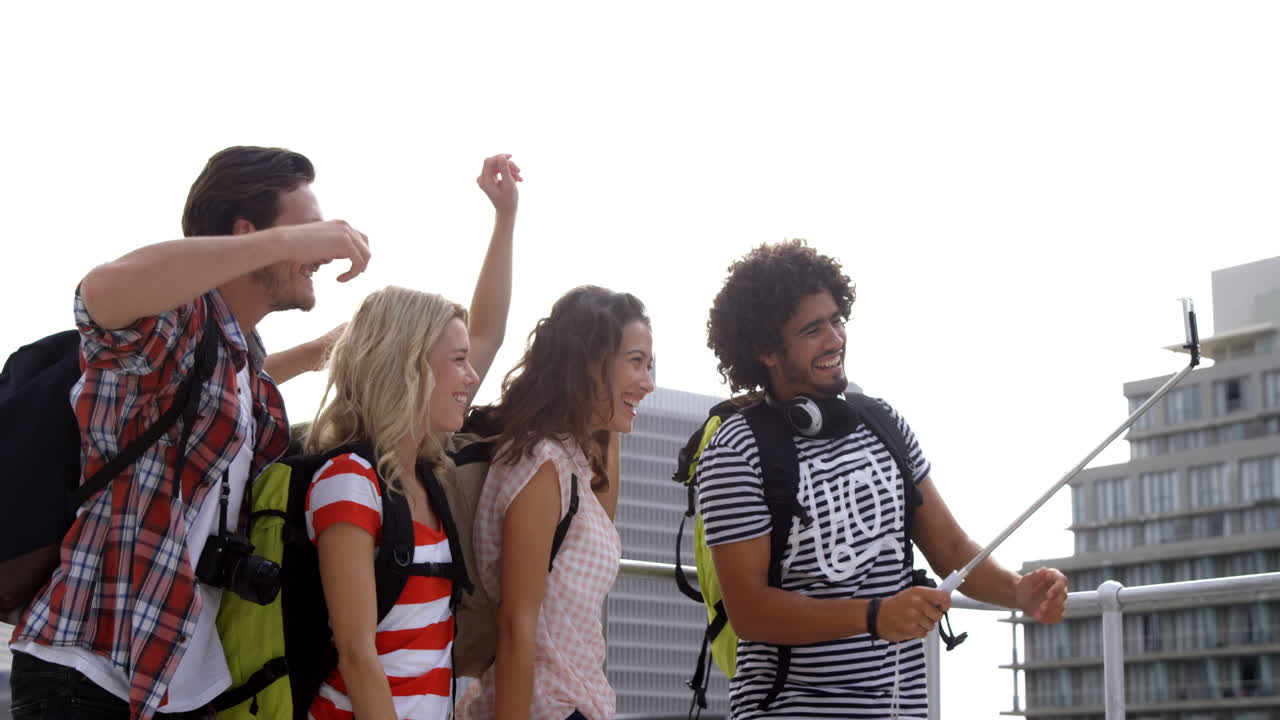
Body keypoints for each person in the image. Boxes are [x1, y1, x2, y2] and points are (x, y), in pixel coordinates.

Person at [8, 146, 371, 720]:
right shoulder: (173, 321)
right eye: (308, 230)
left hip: (176, 681)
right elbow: (100, 292)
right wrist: (288, 244)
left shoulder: (236, 360)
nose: (322, 248)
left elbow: (210, 407)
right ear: (247, 233)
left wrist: (316, 353)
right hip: (92, 673)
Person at [697, 239, 1069, 719]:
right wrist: (874, 616)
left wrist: (1018, 591)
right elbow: (749, 611)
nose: (834, 339)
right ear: (767, 349)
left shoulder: (883, 423)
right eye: (812, 329)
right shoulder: (735, 451)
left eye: (837, 320)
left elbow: (953, 552)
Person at [301, 153, 520, 720]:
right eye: (458, 361)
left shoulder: (426, 471)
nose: (473, 377)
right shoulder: (349, 482)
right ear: (410, 369)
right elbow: (356, 653)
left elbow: (488, 331)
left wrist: (506, 219)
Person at [455, 286, 655, 720]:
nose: (649, 382)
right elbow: (515, 627)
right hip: (546, 707)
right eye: (636, 362)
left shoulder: (571, 462)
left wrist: (610, 406)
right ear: (588, 363)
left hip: (578, 701)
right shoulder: (540, 466)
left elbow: (603, 520)